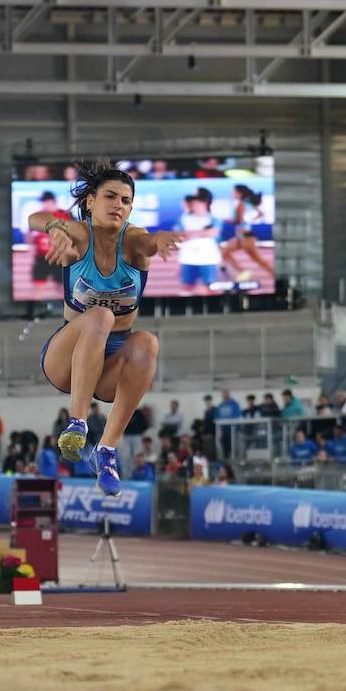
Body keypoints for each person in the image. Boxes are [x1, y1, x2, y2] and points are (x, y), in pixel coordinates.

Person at [32, 162, 179, 496]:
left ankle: (107, 451)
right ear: (90, 202)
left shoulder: (135, 243)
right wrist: (55, 227)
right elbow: (34, 219)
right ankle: (77, 422)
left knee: (147, 342)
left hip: (110, 366)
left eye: (126, 200)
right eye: (111, 196)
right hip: (67, 358)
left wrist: (161, 239)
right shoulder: (79, 235)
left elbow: (149, 242)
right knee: (100, 316)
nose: (119, 205)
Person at [219, 184, 273, 282]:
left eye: (234, 192)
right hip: (241, 237)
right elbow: (260, 213)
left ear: (240, 193)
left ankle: (274, 274)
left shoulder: (241, 204)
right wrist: (249, 219)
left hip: (246, 238)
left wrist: (226, 220)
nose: (232, 194)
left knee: (258, 259)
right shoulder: (247, 203)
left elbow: (238, 221)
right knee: (224, 252)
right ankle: (243, 272)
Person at [175, 188, 220, 295]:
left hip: (208, 259)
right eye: (194, 202)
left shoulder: (213, 218)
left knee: (211, 287)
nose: (196, 205)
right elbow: (179, 235)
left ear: (205, 203)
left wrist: (189, 233)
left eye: (199, 202)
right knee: (186, 286)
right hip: (188, 258)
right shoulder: (183, 219)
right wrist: (202, 232)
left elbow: (212, 233)